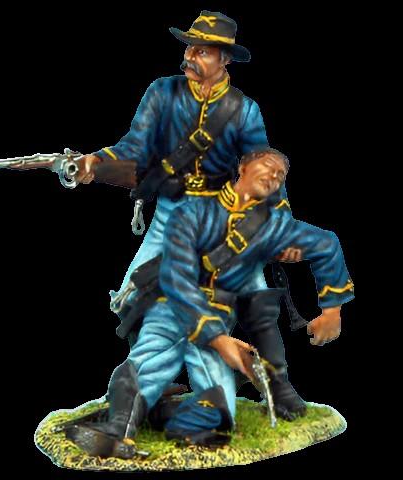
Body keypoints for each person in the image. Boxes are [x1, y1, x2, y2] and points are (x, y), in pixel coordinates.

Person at [63, 148, 354, 459]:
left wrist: (332, 312)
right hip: (173, 308)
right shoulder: (193, 212)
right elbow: (177, 278)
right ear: (243, 168)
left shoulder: (274, 227)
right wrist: (219, 340)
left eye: (280, 174)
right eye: (267, 167)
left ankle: (158, 415)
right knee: (148, 362)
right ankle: (117, 429)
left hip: (216, 318)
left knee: (215, 418)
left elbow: (327, 244)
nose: (273, 175)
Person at [74, 11, 279, 300]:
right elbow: (134, 146)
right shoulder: (162, 92)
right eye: (190, 47)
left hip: (222, 213)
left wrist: (274, 224)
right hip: (170, 210)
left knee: (256, 297)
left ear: (225, 59)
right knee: (128, 299)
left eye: (203, 51)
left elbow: (262, 170)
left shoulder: (244, 109)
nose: (190, 56)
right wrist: (95, 161)